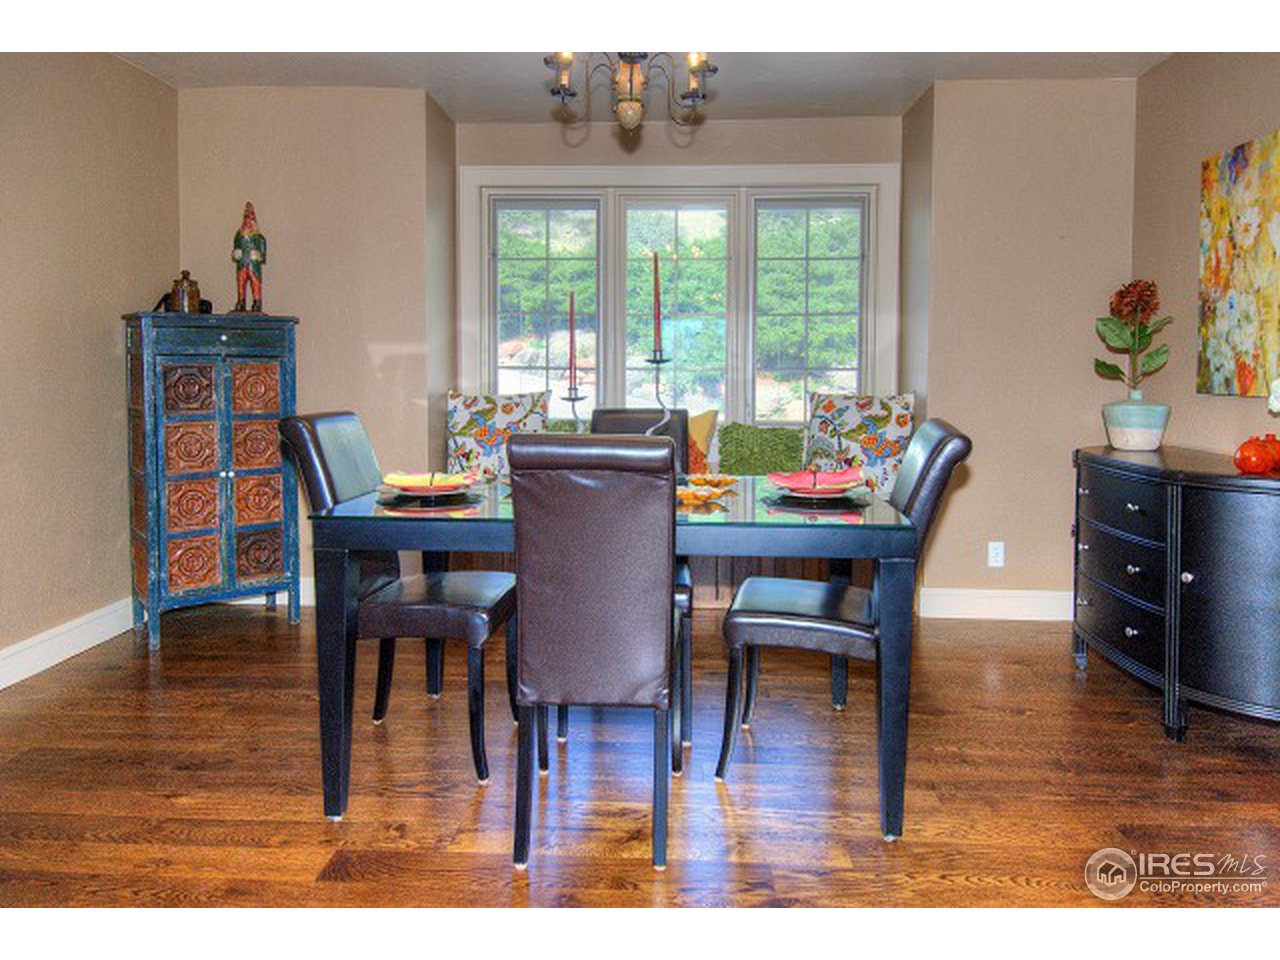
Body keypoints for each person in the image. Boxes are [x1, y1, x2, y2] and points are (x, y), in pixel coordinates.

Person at [231, 202, 267, 311]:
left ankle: (257, 302)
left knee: (255, 283)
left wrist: (258, 255)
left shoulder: (259, 238)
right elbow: (235, 249)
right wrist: (236, 254)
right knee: (241, 282)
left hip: (253, 265)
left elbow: (263, 255)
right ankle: (241, 301)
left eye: (250, 219)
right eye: (246, 218)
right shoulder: (238, 236)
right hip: (242, 263)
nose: (248, 222)